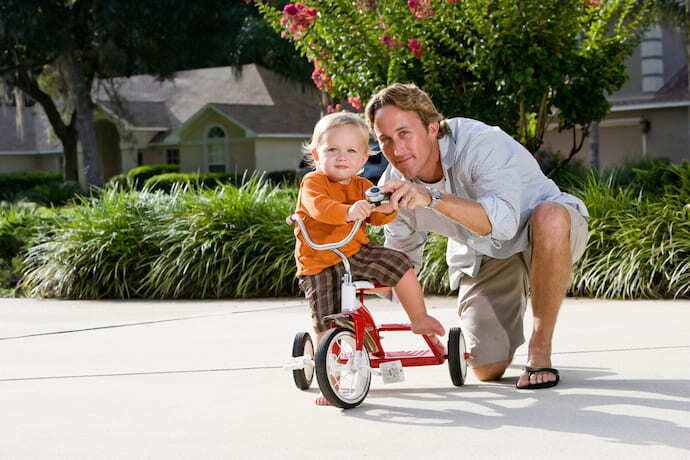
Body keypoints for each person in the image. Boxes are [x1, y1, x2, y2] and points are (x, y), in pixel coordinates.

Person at [365, 83, 589, 390]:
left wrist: (431, 197)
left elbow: (504, 225)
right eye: (385, 140)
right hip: (486, 255)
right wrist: (352, 281)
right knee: (485, 367)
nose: (397, 149)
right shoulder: (395, 185)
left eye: (404, 133)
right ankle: (509, 310)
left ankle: (540, 347)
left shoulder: (482, 143)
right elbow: (400, 259)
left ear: (432, 128)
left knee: (549, 216)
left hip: (541, 233)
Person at [293, 112, 446, 405]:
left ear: (363, 159)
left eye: (351, 151)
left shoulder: (363, 186)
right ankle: (333, 381)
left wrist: (386, 206)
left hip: (354, 251)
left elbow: (379, 217)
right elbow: (319, 208)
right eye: (332, 150)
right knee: (326, 320)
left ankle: (419, 317)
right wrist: (348, 211)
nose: (342, 157)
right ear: (316, 154)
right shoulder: (314, 183)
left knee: (399, 263)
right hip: (318, 261)